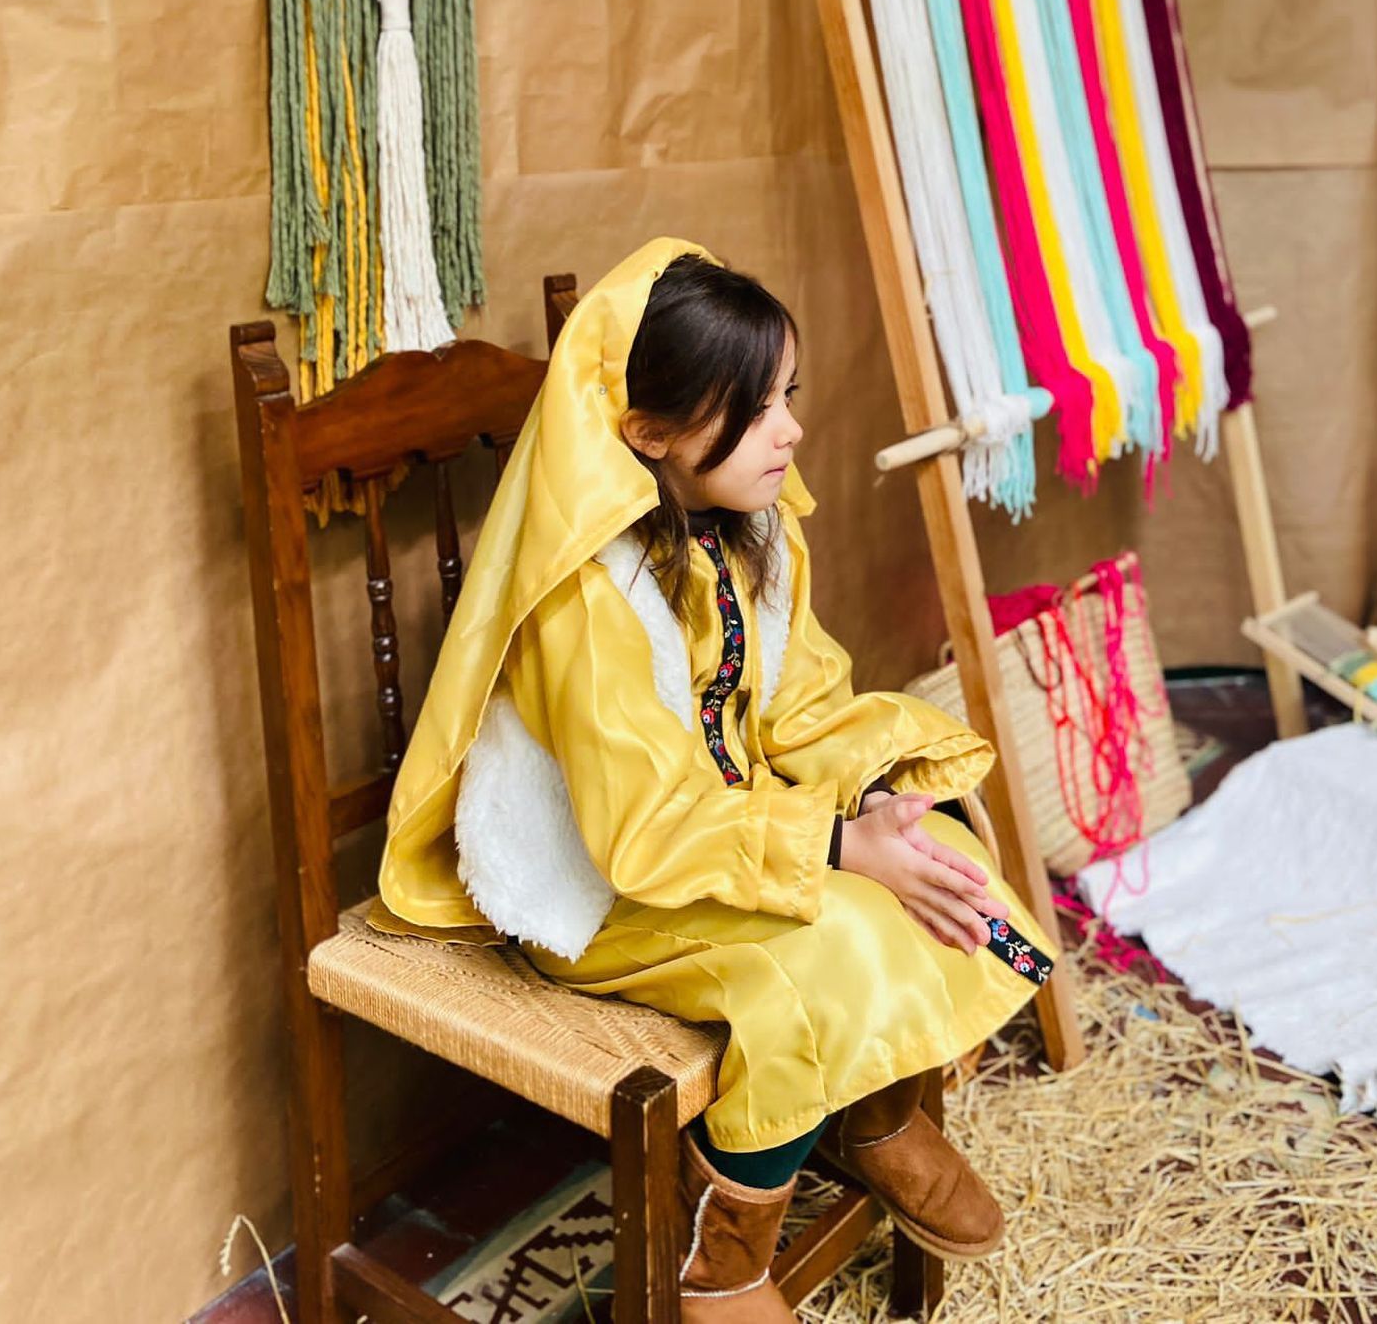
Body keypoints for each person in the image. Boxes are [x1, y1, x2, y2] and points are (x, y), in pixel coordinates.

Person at [380, 239, 1053, 1319]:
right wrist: (833, 848)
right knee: (814, 960)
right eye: (753, 407)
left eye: (788, 393)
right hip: (604, 887)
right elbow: (639, 831)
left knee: (939, 857)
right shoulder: (587, 601)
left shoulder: (752, 533)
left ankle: (872, 1114)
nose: (790, 428)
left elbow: (803, 706)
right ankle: (726, 1250)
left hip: (720, 833)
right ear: (646, 435)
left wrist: (873, 799)